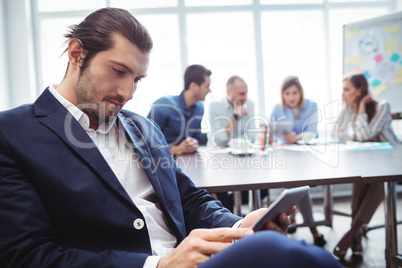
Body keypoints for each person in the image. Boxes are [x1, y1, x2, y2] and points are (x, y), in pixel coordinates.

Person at [0, 8, 342, 268]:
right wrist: (158, 264)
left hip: (198, 259)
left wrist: (239, 224)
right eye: (119, 71)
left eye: (137, 79)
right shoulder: (13, 133)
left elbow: (189, 200)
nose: (127, 92)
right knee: (287, 255)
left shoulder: (142, 128)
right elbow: (25, 254)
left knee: (298, 254)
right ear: (77, 54)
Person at [332, 73, 400, 259]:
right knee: (360, 178)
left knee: (376, 182)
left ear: (359, 90)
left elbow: (363, 136)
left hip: (392, 163)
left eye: (347, 89)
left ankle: (351, 233)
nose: (343, 94)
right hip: (366, 162)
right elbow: (336, 134)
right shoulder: (348, 108)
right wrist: (352, 133)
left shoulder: (382, 107)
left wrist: (361, 108)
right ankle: (357, 233)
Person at [269, 76, 326, 247]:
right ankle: (312, 227)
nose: (291, 97)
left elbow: (313, 133)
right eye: (287, 93)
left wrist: (296, 137)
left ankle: (292, 221)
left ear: (300, 92)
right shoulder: (277, 109)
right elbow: (272, 134)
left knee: (297, 186)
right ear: (283, 94)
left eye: (295, 92)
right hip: (285, 158)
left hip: (305, 157)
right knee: (297, 186)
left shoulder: (312, 106)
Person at [147, 65, 211, 156]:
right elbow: (147, 142)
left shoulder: (200, 108)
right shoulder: (163, 106)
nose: (209, 90)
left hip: (188, 161)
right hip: (162, 163)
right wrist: (173, 149)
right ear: (194, 86)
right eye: (207, 86)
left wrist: (194, 143)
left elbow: (197, 137)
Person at [208, 75, 256, 147]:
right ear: (228, 92)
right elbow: (219, 140)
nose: (245, 98)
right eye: (242, 94)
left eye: (246, 93)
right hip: (220, 155)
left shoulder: (249, 104)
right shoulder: (214, 105)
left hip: (243, 152)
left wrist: (230, 142)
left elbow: (252, 137)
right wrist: (236, 116)